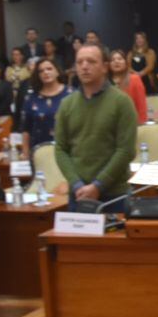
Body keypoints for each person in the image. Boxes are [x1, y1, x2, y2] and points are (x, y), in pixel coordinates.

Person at [54, 43, 137, 209]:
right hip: (78, 194)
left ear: (105, 67)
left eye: (91, 61)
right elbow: (60, 149)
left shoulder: (121, 102)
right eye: (79, 62)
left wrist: (98, 185)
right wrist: (76, 184)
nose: (84, 66)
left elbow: (125, 150)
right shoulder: (66, 104)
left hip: (114, 195)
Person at [20, 57, 70, 146]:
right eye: (41, 71)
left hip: (68, 150)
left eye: (49, 69)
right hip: (39, 151)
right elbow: (26, 129)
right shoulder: (31, 98)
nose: (45, 72)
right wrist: (25, 153)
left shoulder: (72, 94)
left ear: (57, 72)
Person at [107, 49, 148, 122]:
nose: (116, 61)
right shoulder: (105, 83)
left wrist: (141, 125)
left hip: (131, 124)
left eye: (120, 59)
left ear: (126, 63)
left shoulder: (135, 79)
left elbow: (142, 107)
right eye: (112, 60)